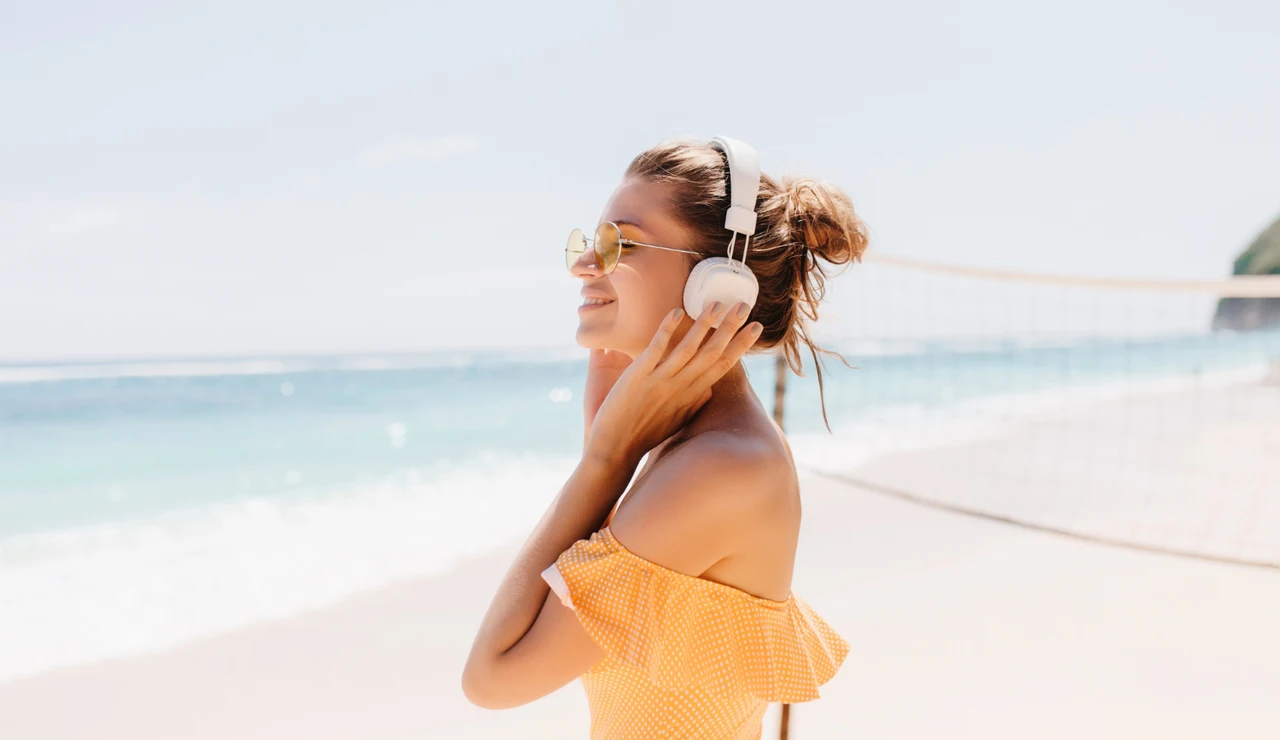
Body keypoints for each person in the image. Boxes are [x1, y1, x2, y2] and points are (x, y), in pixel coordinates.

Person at [462, 136, 868, 740]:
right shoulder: (696, 444)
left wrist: (607, 458)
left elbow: (492, 679)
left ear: (719, 286)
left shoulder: (721, 468)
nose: (583, 265)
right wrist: (605, 430)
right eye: (589, 240)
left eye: (617, 243)